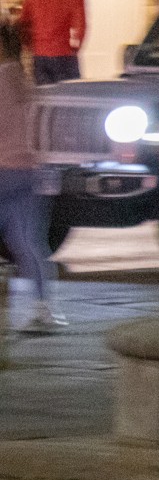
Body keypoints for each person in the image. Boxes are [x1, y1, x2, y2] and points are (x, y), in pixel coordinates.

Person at [0, 22, 62, 332]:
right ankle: (42, 309)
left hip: (3, 170)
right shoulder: (27, 82)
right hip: (31, 173)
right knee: (28, 242)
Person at [18, 0, 86, 85]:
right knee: (69, 95)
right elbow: (80, 27)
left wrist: (28, 45)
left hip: (40, 54)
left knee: (44, 95)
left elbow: (23, 23)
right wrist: (75, 48)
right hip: (64, 53)